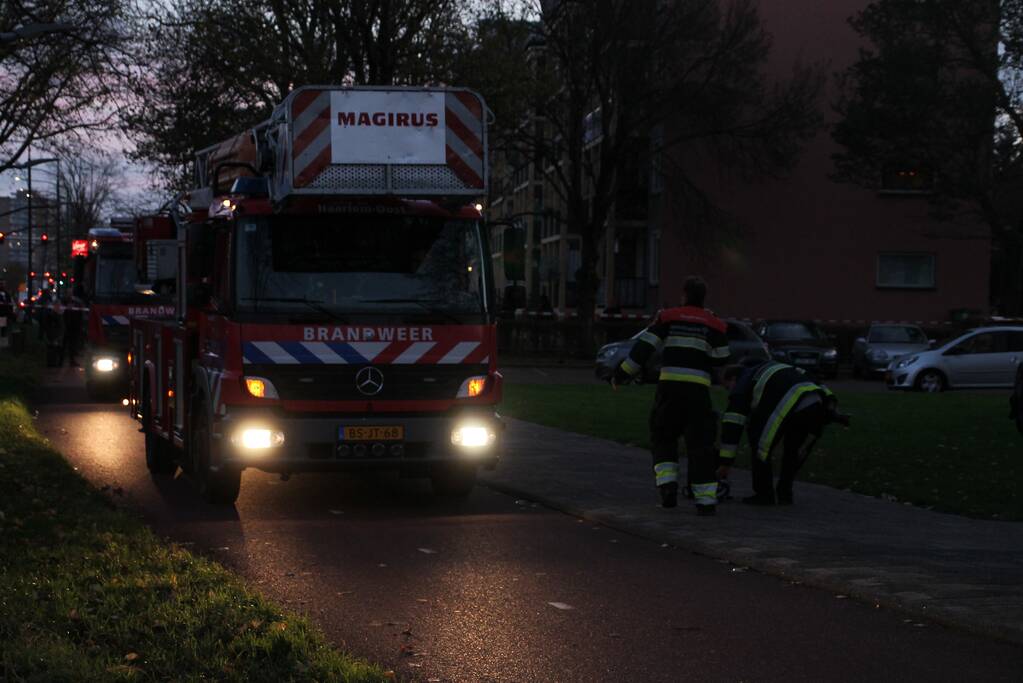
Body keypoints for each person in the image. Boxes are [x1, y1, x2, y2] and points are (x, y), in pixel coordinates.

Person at [612, 276, 731, 515]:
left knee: (663, 437)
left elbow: (643, 349)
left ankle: (667, 488)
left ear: (684, 294)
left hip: (669, 392)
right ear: (704, 297)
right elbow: (722, 358)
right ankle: (706, 503)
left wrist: (621, 374)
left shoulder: (667, 317)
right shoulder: (714, 323)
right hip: (698, 394)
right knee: (701, 445)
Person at [717, 360, 849, 505]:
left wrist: (725, 462)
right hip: (814, 403)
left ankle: (764, 495)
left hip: (789, 403)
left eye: (727, 387)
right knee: (792, 451)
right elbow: (808, 375)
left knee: (760, 445)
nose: (729, 391)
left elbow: (733, 425)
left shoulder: (742, 384)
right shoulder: (769, 367)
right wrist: (830, 401)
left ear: (733, 378)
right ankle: (785, 493)